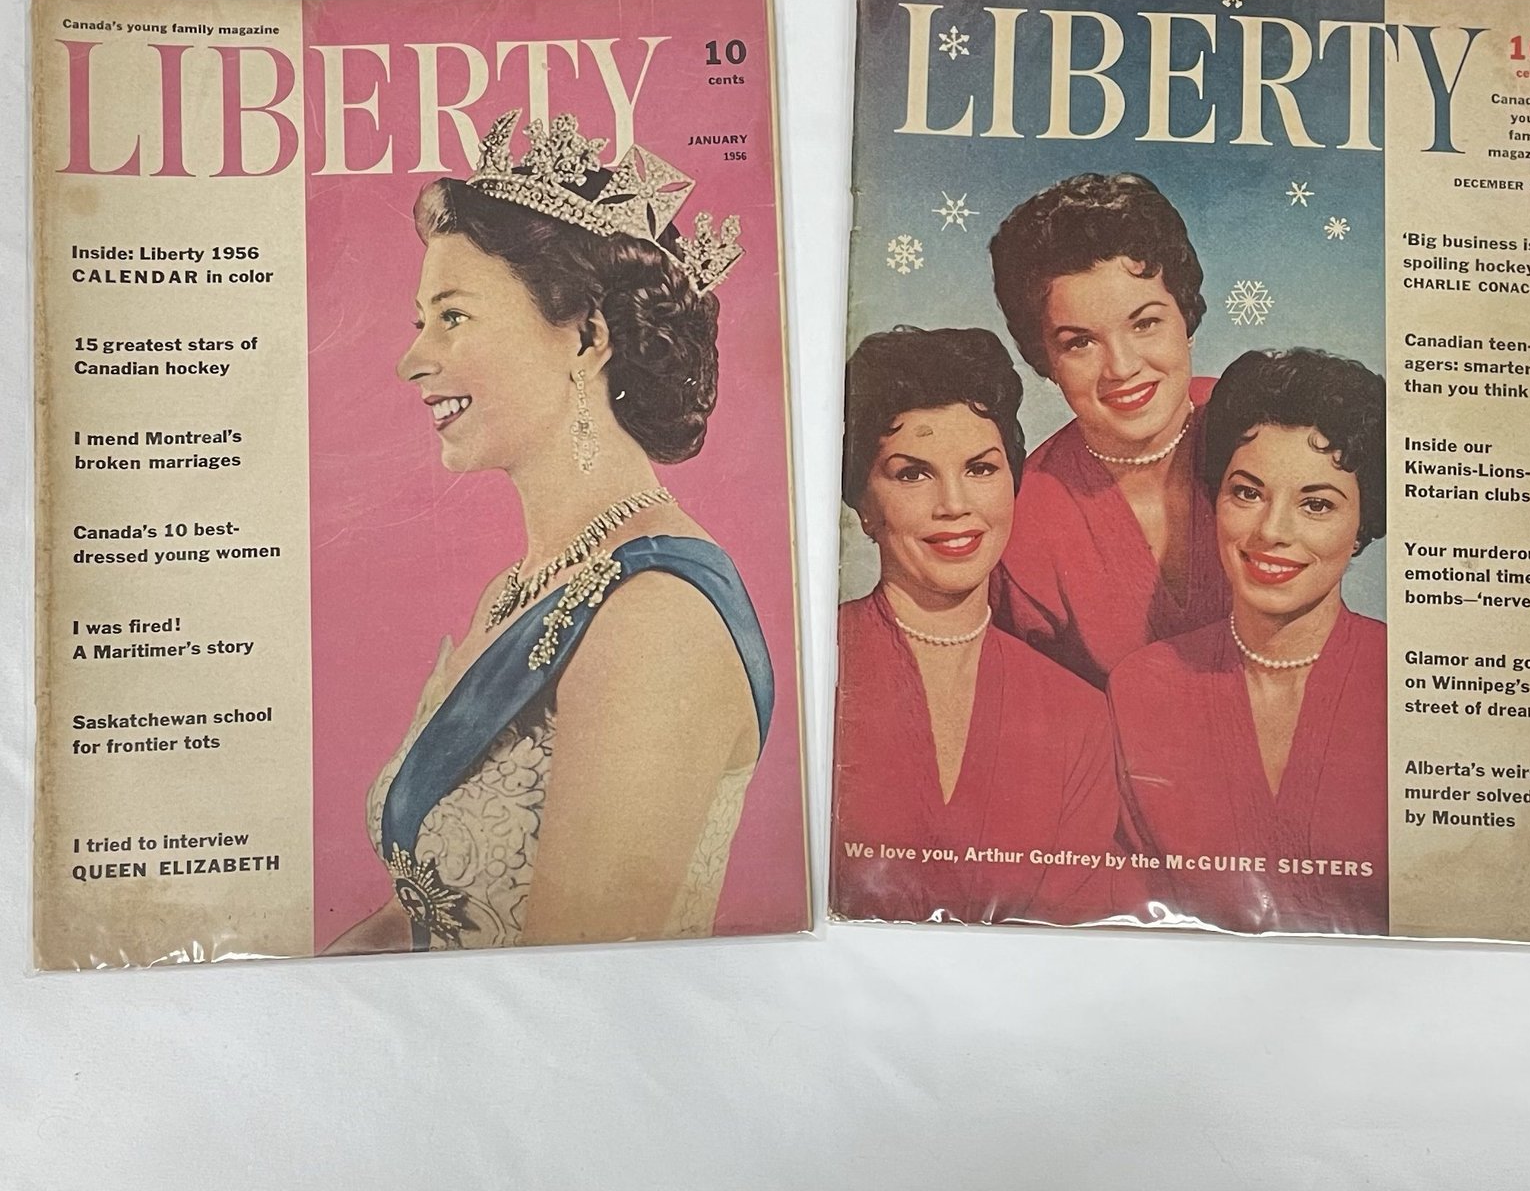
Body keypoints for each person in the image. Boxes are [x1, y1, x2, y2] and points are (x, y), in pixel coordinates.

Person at [327, 110, 773, 953]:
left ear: (588, 338)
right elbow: (420, 913)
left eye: (453, 317)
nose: (412, 360)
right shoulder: (518, 589)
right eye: (421, 322)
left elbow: (577, 984)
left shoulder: (657, 619)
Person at [831, 325, 1118, 926]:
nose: (954, 504)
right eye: (912, 474)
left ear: (1013, 484)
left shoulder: (1080, 718)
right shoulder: (810, 666)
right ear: (863, 504)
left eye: (981, 469)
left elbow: (1075, 939)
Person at [1106, 348, 1388, 935]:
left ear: (1363, 523)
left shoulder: (1407, 681)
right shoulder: (1141, 689)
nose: (1272, 531)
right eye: (1248, 493)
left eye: (1316, 504)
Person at [988, 172, 1231, 688]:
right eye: (1080, 343)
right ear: (1046, 360)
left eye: (1145, 323)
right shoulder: (1023, 518)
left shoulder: (1263, 424)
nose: (1121, 367)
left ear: (1185, 318)